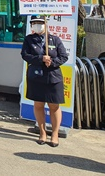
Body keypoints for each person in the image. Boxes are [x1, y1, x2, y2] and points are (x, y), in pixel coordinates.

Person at [21, 15, 68, 147]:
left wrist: (52, 62)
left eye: (40, 23)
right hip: (36, 77)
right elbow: (25, 55)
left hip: (53, 77)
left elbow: (63, 56)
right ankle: (42, 132)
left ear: (45, 24)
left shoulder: (55, 39)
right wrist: (41, 59)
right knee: (38, 104)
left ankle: (55, 134)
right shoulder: (29, 39)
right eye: (34, 23)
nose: (37, 25)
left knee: (54, 106)